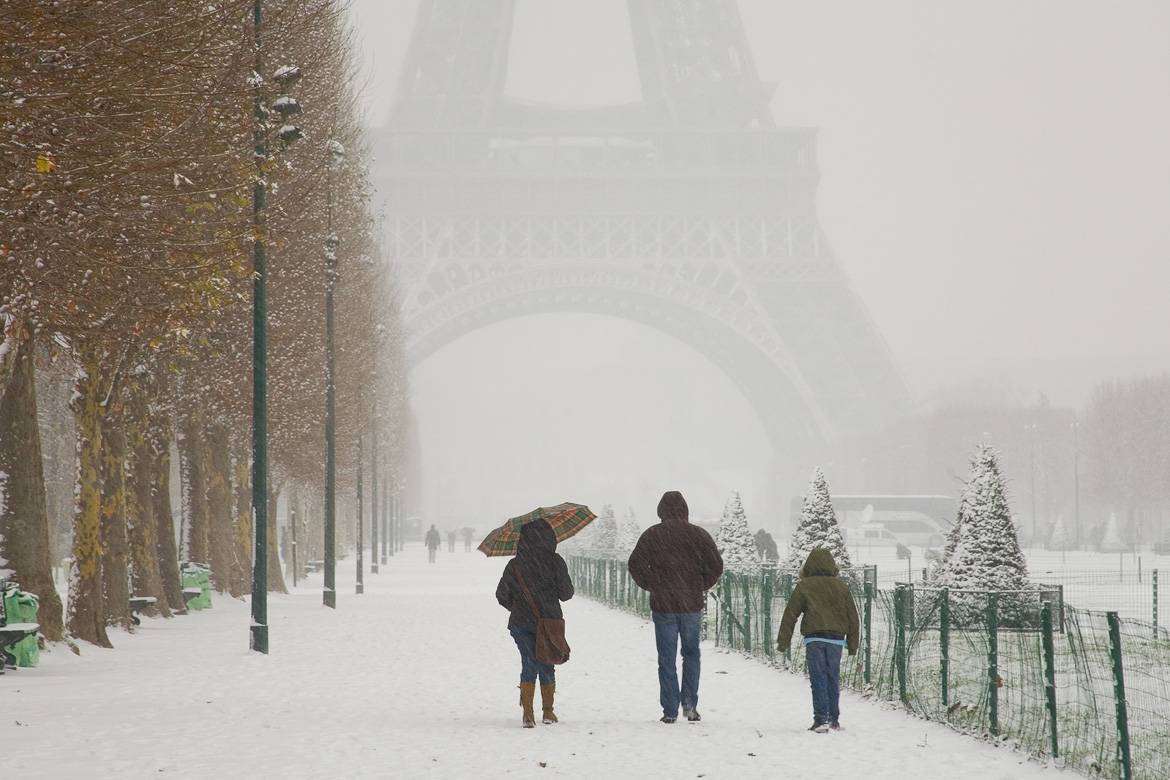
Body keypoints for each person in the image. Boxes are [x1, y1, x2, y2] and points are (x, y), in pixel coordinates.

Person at [627, 490, 723, 723]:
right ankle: (690, 704)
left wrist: (653, 585)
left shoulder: (652, 535)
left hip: (664, 605)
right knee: (692, 654)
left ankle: (669, 709)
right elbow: (715, 566)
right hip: (691, 604)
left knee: (666, 658)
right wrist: (699, 585)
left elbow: (635, 565)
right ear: (685, 510)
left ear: (661, 510)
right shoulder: (699, 535)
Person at [495, 519, 574, 728]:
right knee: (547, 660)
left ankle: (528, 714)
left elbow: (501, 595)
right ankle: (548, 712)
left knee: (529, 660)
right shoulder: (555, 561)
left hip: (521, 623)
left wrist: (519, 607)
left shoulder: (515, 564)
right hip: (549, 622)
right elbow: (567, 594)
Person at [776, 547, 860, 733]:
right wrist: (853, 644)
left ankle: (821, 719)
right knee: (832, 678)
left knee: (818, 678)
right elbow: (853, 617)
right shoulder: (841, 587)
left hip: (814, 638)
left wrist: (783, 641)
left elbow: (791, 614)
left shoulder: (804, 586)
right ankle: (834, 720)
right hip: (837, 639)